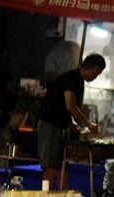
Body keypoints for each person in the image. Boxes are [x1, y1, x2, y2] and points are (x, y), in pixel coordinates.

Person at [37, 54, 106, 189]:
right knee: (50, 168)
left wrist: (76, 125)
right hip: (49, 125)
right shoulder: (71, 78)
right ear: (89, 67)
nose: (95, 77)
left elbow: (70, 109)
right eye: (96, 73)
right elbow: (70, 105)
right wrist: (88, 124)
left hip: (60, 127)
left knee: (63, 166)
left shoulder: (79, 81)